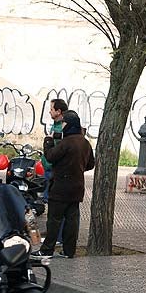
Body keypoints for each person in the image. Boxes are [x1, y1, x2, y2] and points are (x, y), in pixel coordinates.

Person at [33, 110, 94, 259]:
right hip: (77, 188)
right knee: (71, 220)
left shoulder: (67, 142)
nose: (62, 126)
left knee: (54, 220)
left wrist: (47, 143)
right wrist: (77, 168)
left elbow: (51, 156)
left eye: (64, 123)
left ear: (69, 125)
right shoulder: (85, 143)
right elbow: (91, 164)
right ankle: (69, 250)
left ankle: (47, 249)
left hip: (60, 187)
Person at [42, 99, 67, 202]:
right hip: (49, 167)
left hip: (54, 169)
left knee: (53, 200)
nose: (49, 111)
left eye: (51, 109)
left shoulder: (63, 128)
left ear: (58, 111)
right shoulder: (55, 125)